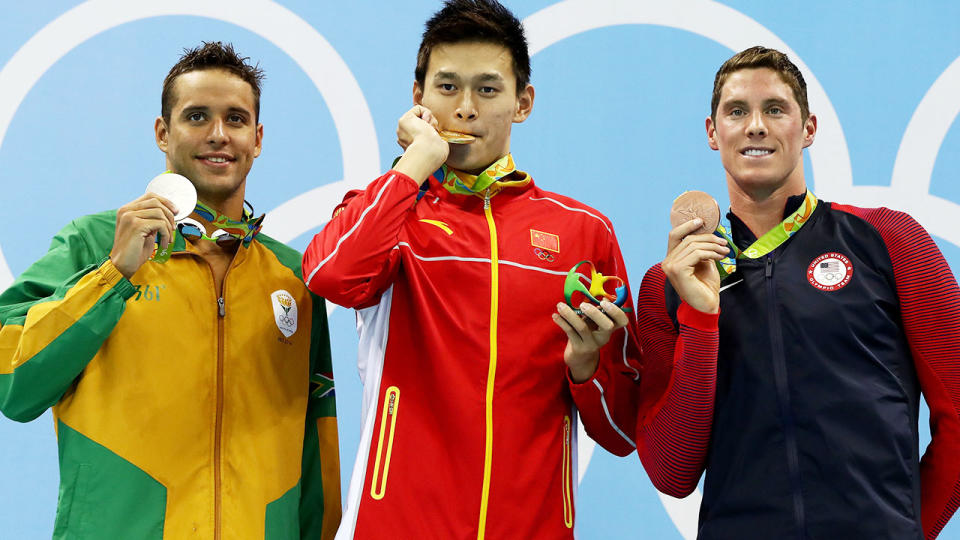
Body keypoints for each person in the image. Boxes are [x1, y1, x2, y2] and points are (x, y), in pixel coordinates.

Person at [302, 1, 719, 537]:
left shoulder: (582, 232)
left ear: (523, 103)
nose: (466, 109)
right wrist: (414, 164)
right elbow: (329, 276)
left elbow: (621, 432)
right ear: (418, 99)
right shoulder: (386, 210)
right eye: (447, 87)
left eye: (488, 89)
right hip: (397, 522)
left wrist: (586, 365)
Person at [0, 42, 340, 539]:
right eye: (197, 116)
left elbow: (316, 455)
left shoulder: (293, 277)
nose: (218, 135)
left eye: (236, 119)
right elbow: (14, 385)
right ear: (163, 133)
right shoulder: (94, 244)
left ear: (258, 138)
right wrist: (113, 276)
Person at [637, 46, 960, 539]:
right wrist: (700, 320)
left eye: (775, 109)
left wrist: (905, 529)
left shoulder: (889, 240)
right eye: (737, 111)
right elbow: (670, 472)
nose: (756, 126)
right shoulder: (668, 284)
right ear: (712, 132)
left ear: (808, 129)